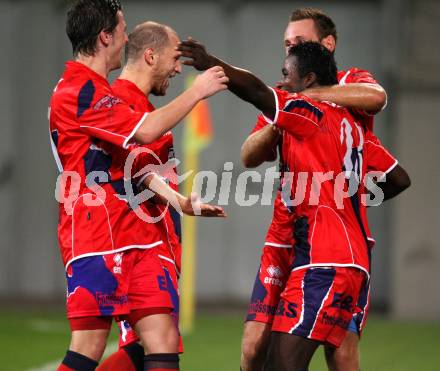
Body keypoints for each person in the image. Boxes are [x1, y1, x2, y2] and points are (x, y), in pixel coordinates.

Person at [176, 37, 399, 370]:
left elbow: (255, 90)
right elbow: (398, 179)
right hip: (340, 255)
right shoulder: (352, 122)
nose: (282, 81)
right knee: (277, 359)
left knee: (287, 364)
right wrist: (345, 197)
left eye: (287, 73)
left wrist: (211, 63)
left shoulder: (310, 112)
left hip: (325, 260)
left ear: (308, 79)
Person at [49, 1, 228, 370]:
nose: (126, 38)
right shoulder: (80, 91)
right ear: (106, 37)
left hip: (134, 239)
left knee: (160, 341)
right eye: (123, 29)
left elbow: (135, 167)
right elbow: (145, 131)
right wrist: (197, 91)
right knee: (89, 346)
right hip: (98, 233)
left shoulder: (100, 91)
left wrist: (179, 201)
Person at [238, 8, 410, 371]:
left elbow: (377, 98)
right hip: (284, 237)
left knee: (341, 353)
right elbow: (249, 156)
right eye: (286, 42)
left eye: (298, 41)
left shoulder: (349, 83)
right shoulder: (285, 94)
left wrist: (311, 94)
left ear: (327, 45)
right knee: (254, 349)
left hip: (335, 240)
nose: (289, 47)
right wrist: (283, 114)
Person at [97, 21, 225, 371]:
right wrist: (197, 90)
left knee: (148, 347)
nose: (178, 67)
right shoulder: (119, 103)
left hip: (155, 246)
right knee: (160, 342)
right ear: (150, 56)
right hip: (135, 248)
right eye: (174, 58)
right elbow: (135, 168)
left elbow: (145, 172)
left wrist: (179, 202)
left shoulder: (145, 110)